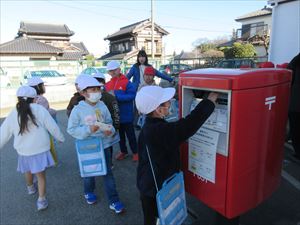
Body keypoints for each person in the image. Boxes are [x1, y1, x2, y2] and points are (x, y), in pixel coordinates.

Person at [135, 85, 218, 225]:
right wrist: (209, 102)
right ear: (158, 109)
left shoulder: (151, 125)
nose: (170, 103)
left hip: (148, 185)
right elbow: (187, 126)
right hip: (155, 190)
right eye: (166, 102)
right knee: (157, 220)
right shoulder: (158, 130)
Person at [0, 86, 65, 211]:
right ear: (35, 99)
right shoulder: (40, 109)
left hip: (24, 151)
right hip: (40, 149)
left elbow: (4, 132)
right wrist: (60, 138)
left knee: (28, 171)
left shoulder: (14, 112)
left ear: (18, 99)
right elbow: (51, 126)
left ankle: (30, 188)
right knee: (41, 176)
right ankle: (41, 200)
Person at [67, 75, 125, 214]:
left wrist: (109, 130)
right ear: (83, 93)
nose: (97, 92)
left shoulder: (103, 105)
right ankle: (88, 191)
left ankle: (114, 200)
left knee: (107, 173)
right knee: (89, 173)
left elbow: (109, 123)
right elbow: (71, 129)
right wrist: (88, 130)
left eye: (98, 89)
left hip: (103, 145)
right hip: (87, 148)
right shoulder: (77, 109)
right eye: (93, 89)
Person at [105, 60, 138, 162]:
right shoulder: (107, 85)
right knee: (120, 137)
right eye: (110, 71)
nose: (113, 72)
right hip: (115, 116)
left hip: (127, 115)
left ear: (119, 69)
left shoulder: (127, 82)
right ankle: (123, 151)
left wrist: (117, 96)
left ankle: (136, 152)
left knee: (131, 136)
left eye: (114, 70)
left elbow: (132, 96)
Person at [93, 72, 120, 169]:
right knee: (103, 146)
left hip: (108, 128)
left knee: (108, 146)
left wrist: (116, 126)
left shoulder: (109, 97)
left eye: (99, 82)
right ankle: (104, 163)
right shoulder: (89, 98)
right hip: (96, 129)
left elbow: (116, 113)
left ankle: (108, 163)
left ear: (103, 83)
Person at [287, 53, 300, 161]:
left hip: (295, 103)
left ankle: (298, 153)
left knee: (295, 128)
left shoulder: (296, 61)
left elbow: (288, 78)